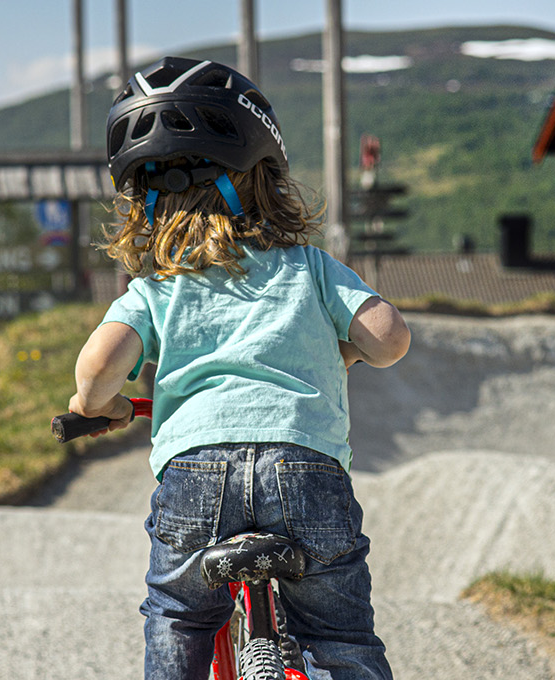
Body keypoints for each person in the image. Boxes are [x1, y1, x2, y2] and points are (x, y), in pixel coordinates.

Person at [66, 56, 410, 680]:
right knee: (341, 633)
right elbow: (389, 339)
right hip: (307, 473)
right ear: (265, 177)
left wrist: (96, 407)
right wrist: (352, 350)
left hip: (196, 479)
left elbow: (97, 369)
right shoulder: (308, 266)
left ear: (143, 201)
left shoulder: (153, 289)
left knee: (178, 614)